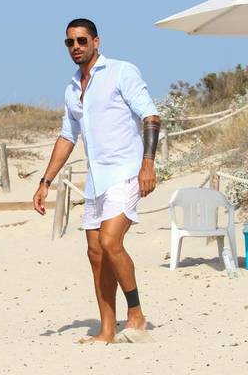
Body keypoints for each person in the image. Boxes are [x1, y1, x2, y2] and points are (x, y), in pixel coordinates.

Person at [33, 19, 160, 344]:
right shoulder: (72, 88)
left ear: (96, 41)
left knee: (110, 241)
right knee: (95, 253)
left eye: (82, 40)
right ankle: (106, 330)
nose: (76, 47)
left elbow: (150, 116)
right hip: (96, 179)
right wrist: (46, 181)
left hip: (127, 171)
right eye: (70, 42)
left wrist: (148, 164)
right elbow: (67, 136)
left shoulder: (121, 71)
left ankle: (136, 314)